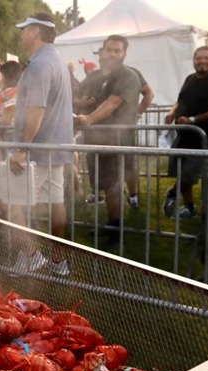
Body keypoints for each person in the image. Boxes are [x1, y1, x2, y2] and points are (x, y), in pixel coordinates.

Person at [0, 12, 73, 275]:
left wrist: (20, 150)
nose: (21, 35)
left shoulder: (38, 65)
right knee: (56, 204)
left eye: (24, 30)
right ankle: (58, 262)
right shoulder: (56, 61)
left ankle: (31, 255)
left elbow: (36, 113)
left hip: (36, 151)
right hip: (56, 149)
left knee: (7, 201)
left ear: (36, 31)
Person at [74, 35, 141, 246]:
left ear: (124, 54)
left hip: (117, 140)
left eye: (117, 50)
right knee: (106, 186)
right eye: (109, 49)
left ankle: (118, 231)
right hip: (96, 140)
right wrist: (80, 103)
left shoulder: (128, 76)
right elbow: (76, 94)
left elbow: (113, 103)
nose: (112, 54)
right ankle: (113, 223)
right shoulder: (95, 77)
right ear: (102, 51)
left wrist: (88, 119)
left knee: (114, 186)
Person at [163, 46, 208, 219]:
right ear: (194, 60)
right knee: (181, 172)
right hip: (183, 135)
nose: (202, 61)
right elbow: (180, 101)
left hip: (204, 138)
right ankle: (190, 206)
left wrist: (193, 120)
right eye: (198, 58)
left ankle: (172, 192)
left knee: (189, 175)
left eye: (206, 58)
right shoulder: (190, 79)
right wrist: (172, 113)